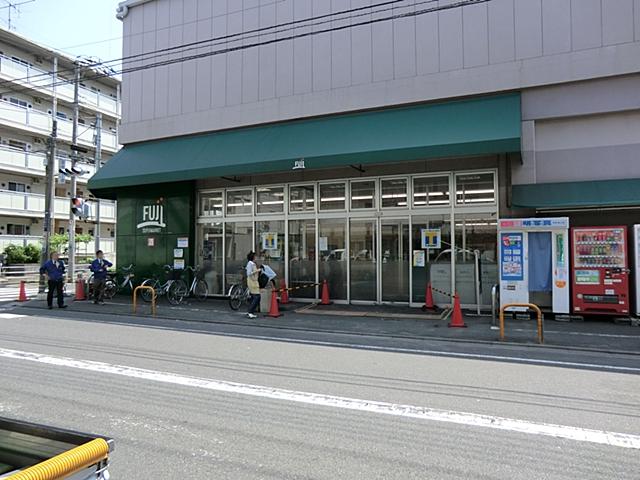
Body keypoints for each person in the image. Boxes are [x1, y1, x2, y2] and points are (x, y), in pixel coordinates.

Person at [245, 251, 262, 319]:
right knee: (257, 296)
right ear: (253, 257)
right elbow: (249, 273)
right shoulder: (250, 264)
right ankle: (250, 311)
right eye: (255, 257)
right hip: (252, 282)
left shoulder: (252, 264)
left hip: (254, 281)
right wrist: (257, 271)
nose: (256, 258)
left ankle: (251, 311)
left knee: (254, 297)